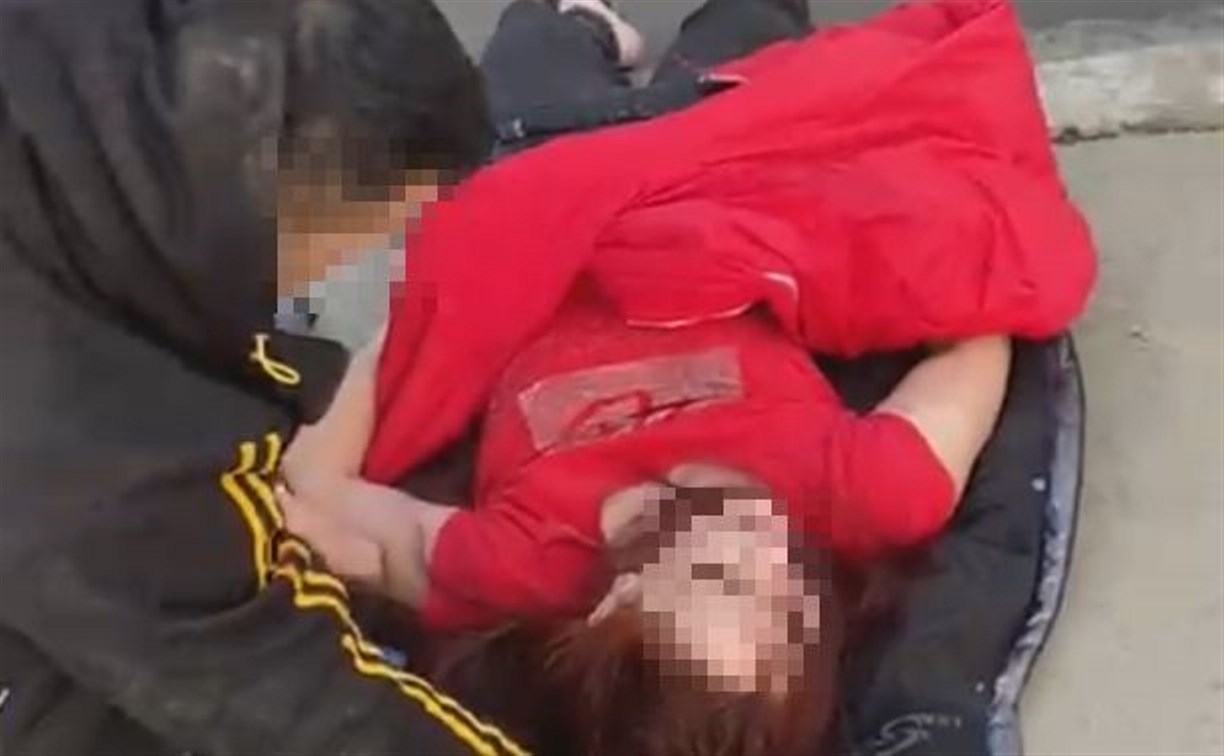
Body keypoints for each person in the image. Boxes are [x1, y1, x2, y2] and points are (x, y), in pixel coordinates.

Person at [277, 0, 1094, 753]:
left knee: (525, 55)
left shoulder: (526, 567)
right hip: (717, 190)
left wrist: (429, 318)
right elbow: (981, 321)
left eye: (718, 575)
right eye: (795, 613)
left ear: (613, 605)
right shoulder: (864, 492)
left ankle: (584, 24)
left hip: (540, 199)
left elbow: (311, 494)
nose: (764, 549)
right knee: (749, 28)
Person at [0, 1, 527, 754]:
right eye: (389, 232)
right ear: (277, 215)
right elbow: (300, 706)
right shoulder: (103, 470)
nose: (365, 263)